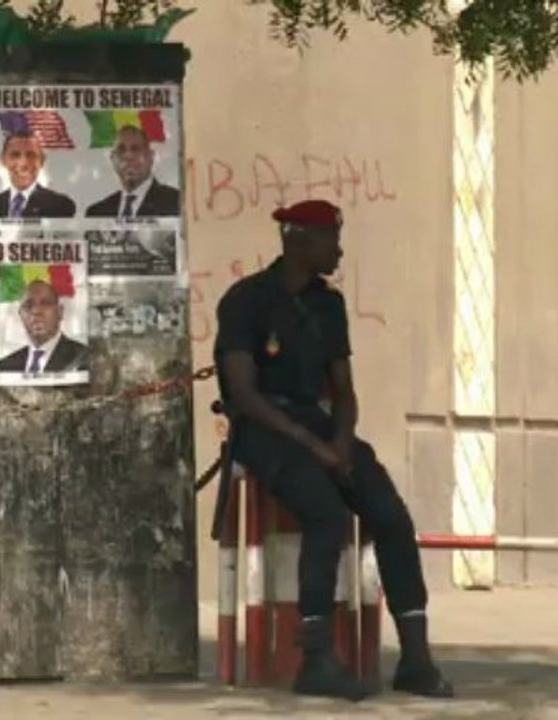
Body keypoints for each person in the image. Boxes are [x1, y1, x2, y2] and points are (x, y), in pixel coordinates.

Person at [212, 199, 453, 701]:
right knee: (326, 514)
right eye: (331, 240)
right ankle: (316, 659)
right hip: (264, 430)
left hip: (317, 426)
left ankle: (415, 658)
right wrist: (314, 449)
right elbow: (246, 396)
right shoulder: (246, 300)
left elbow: (343, 389)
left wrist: (341, 442)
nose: (339, 251)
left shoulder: (328, 305)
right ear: (298, 242)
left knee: (390, 514)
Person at [0, 280, 88, 373]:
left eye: (45, 303)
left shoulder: (84, 358)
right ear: (21, 315)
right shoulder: (3, 367)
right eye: (28, 305)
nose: (36, 311)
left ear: (60, 312)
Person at [85, 125, 180, 218]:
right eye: (121, 149)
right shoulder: (96, 213)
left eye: (135, 149)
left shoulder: (176, 202)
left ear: (150, 157)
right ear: (112, 159)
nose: (128, 156)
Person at [0, 130, 75, 219]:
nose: (23, 163)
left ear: (42, 161)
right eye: (15, 155)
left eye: (31, 155)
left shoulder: (61, 206)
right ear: (3, 160)